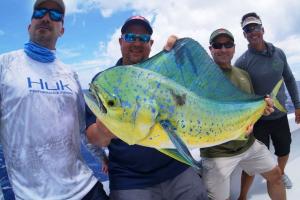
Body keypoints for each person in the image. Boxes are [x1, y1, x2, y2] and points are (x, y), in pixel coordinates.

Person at [86, 15, 208, 200]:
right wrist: (104, 132)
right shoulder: (105, 83)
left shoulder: (167, 78)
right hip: (130, 179)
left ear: (151, 44)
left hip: (177, 166)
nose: (137, 42)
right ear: (120, 41)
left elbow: (198, 90)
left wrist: (180, 57)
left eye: (143, 38)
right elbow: (94, 138)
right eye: (130, 37)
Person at [0, 0, 108, 199]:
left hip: (86, 188)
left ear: (62, 31)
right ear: (29, 25)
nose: (47, 17)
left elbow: (82, 128)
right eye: (39, 12)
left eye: (56, 15)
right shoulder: (4, 65)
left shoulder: (71, 75)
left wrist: (103, 157)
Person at [200, 28, 286, 200]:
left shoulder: (244, 75)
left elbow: (249, 109)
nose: (223, 49)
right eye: (218, 45)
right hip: (218, 153)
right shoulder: (202, 79)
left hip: (248, 145)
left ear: (234, 47)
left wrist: (264, 109)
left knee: (276, 175)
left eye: (228, 44)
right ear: (211, 49)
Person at [235, 12, 300, 193]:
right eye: (248, 29)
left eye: (255, 27)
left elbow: (289, 78)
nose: (252, 31)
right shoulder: (242, 62)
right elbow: (240, 96)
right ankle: (242, 195)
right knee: (251, 164)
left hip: (280, 117)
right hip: (258, 120)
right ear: (244, 34)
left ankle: (281, 172)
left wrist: (298, 105)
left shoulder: (279, 53)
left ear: (262, 30)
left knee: (284, 150)